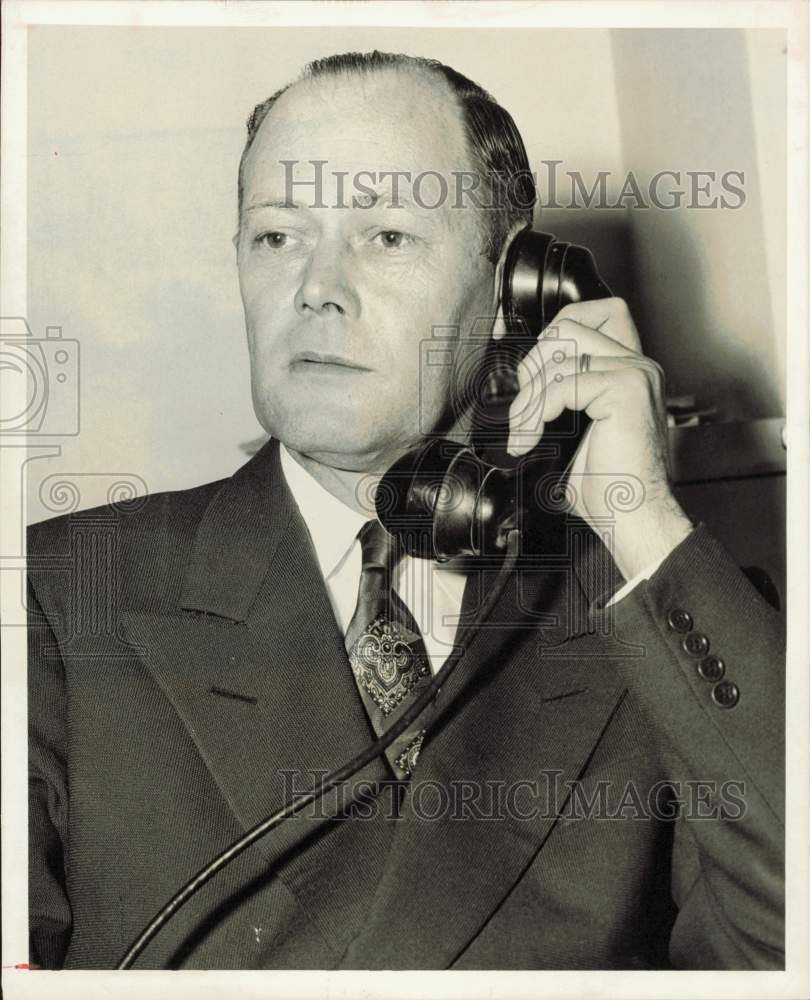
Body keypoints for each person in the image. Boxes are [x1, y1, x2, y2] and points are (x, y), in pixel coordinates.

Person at [28, 51, 784, 971]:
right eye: (277, 236)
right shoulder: (61, 599)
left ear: (514, 289)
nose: (316, 286)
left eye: (386, 235)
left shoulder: (653, 610)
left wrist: (641, 522)